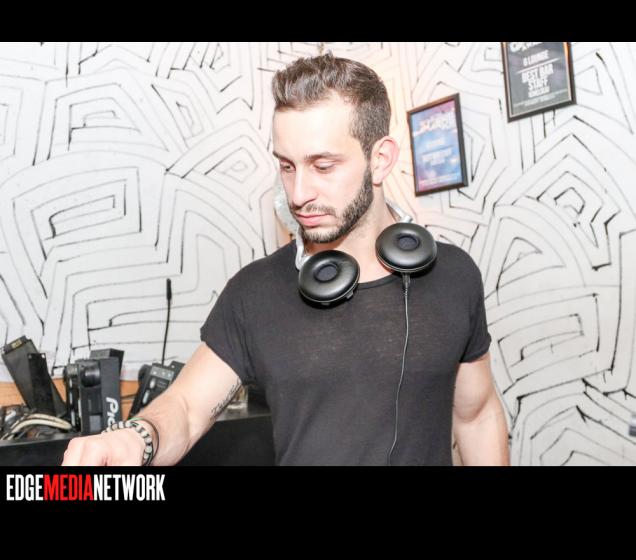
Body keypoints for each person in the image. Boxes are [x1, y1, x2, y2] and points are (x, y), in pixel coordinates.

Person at [62, 53, 509, 466]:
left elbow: (477, 415)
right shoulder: (254, 292)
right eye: (287, 166)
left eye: (323, 166)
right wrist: (136, 437)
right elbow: (186, 407)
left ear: (380, 160)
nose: (298, 194)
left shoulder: (453, 275)